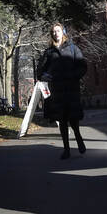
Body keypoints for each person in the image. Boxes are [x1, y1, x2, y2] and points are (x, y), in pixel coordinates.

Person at [36, 23, 88, 159]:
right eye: (53, 32)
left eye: (58, 31)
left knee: (74, 118)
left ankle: (78, 137)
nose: (55, 33)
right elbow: (40, 71)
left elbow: (83, 66)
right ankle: (66, 149)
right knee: (62, 120)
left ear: (63, 32)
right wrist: (46, 77)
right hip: (57, 91)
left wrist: (74, 76)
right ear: (51, 34)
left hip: (72, 89)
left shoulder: (73, 48)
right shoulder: (49, 52)